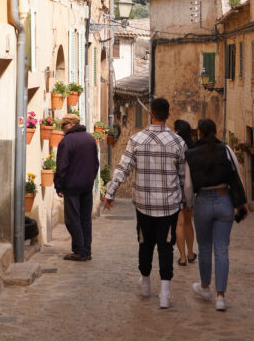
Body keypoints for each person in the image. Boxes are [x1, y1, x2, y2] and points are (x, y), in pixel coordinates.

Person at [104, 97, 187, 308]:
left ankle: (146, 283)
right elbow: (183, 176)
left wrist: (111, 192)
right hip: (169, 205)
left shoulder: (137, 139)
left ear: (151, 114)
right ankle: (165, 293)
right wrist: (185, 200)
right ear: (168, 114)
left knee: (145, 242)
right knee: (166, 246)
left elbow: (124, 168)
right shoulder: (178, 142)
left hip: (144, 204)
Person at [184, 118, 249, 311]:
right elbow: (237, 176)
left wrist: (189, 204)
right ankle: (221, 297)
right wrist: (241, 204)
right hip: (224, 200)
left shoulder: (191, 154)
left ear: (200, 134)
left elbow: (188, 185)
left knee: (204, 247)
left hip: (202, 201)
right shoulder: (226, 150)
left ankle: (205, 288)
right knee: (222, 248)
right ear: (215, 131)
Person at [54, 112, 99, 262]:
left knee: (72, 219)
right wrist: (90, 179)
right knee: (85, 218)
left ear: (71, 124)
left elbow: (62, 166)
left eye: (64, 125)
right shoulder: (90, 139)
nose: (62, 129)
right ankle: (87, 250)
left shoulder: (67, 141)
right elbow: (95, 164)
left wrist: (59, 186)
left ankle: (80, 251)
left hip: (72, 186)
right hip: (87, 185)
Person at [173, 119, 196, 266]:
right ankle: (190, 253)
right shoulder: (193, 148)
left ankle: (182, 258)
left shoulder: (175, 146)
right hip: (189, 187)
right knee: (188, 222)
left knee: (179, 224)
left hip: (176, 187)